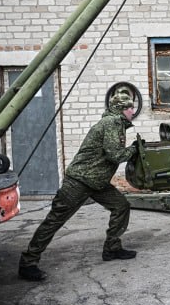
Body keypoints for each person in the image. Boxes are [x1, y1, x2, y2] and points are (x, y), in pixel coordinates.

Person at [18, 87, 139, 281]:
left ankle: (112, 248)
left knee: (121, 206)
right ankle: (28, 263)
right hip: (80, 181)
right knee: (55, 220)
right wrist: (134, 150)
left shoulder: (116, 123)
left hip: (96, 181)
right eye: (130, 108)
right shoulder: (111, 122)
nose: (133, 111)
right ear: (122, 109)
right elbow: (114, 154)